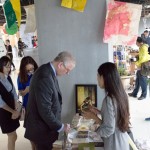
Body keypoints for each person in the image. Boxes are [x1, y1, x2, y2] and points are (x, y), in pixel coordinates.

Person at [24, 51, 76, 150]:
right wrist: (61, 126)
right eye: (67, 70)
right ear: (60, 64)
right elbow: (45, 110)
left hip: (45, 126)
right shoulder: (44, 76)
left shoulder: (48, 70)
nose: (68, 73)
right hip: (41, 129)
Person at [83, 62, 130, 150]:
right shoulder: (121, 94)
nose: (97, 79)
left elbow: (109, 129)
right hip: (122, 141)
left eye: (98, 76)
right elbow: (113, 120)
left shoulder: (109, 99)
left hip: (114, 144)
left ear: (104, 77)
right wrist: (98, 113)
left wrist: (92, 135)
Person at [0, 56, 20, 150]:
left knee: (13, 136)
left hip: (13, 109)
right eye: (7, 66)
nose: (9, 69)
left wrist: (16, 107)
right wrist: (13, 112)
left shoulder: (7, 77)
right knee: (12, 136)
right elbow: (0, 103)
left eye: (10, 66)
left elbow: (13, 92)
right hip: (4, 112)